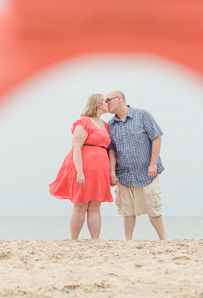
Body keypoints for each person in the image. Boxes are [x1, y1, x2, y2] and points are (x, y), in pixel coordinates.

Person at [104, 90, 167, 240]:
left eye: (108, 100)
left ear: (119, 99)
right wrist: (112, 172)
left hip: (147, 172)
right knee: (127, 211)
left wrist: (153, 164)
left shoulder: (142, 115)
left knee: (153, 207)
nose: (106, 104)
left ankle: (164, 240)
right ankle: (128, 241)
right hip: (124, 175)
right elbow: (111, 150)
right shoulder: (111, 124)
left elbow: (156, 138)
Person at [49, 94, 113, 239]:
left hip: (100, 169)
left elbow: (109, 149)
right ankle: (74, 240)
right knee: (80, 204)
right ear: (98, 104)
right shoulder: (84, 122)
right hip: (83, 167)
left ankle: (95, 240)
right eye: (105, 101)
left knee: (96, 205)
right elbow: (76, 147)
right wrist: (79, 172)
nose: (108, 104)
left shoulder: (106, 125)